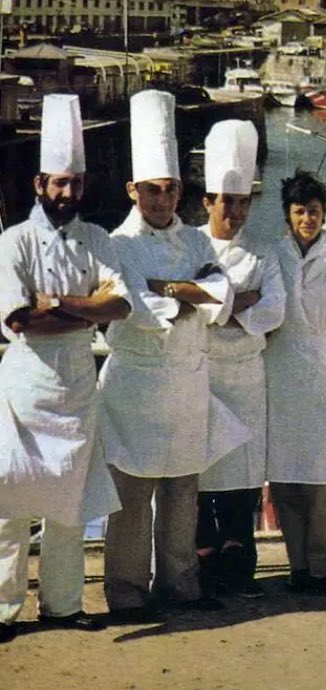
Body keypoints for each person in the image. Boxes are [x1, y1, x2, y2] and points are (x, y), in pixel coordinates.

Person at [99, 90, 245, 621]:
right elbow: (134, 305)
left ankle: (181, 584)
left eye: (170, 189)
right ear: (132, 190)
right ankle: (127, 592)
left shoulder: (198, 242)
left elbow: (223, 296)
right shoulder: (116, 244)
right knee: (133, 497)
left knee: (184, 491)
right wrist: (189, 294)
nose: (162, 201)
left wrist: (170, 288)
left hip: (187, 383)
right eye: (152, 191)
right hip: (136, 388)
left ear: (181, 190)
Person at [0, 94, 130, 642]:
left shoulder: (96, 240)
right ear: (39, 184)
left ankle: (62, 604)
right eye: (58, 183)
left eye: (75, 183)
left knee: (70, 507)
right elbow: (20, 319)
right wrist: (85, 310)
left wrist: (58, 304)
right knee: (8, 506)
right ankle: (3, 609)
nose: (67, 193)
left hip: (77, 389)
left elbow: (120, 305)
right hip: (24, 391)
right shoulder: (14, 242)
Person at [195, 121, 285, 599]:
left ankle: (239, 564)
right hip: (200, 375)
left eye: (242, 202)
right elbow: (186, 306)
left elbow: (275, 311)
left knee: (242, 480)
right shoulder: (189, 245)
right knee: (199, 479)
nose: (234, 212)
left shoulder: (264, 251)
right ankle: (203, 563)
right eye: (225, 202)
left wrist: (219, 306)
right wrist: (241, 301)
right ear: (207, 202)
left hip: (247, 379)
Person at [265, 170, 326, 594]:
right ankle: (298, 566)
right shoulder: (271, 258)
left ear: (325, 215)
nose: (308, 219)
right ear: (288, 214)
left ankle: (321, 567)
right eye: (300, 211)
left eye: (315, 211)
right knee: (286, 477)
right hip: (281, 374)